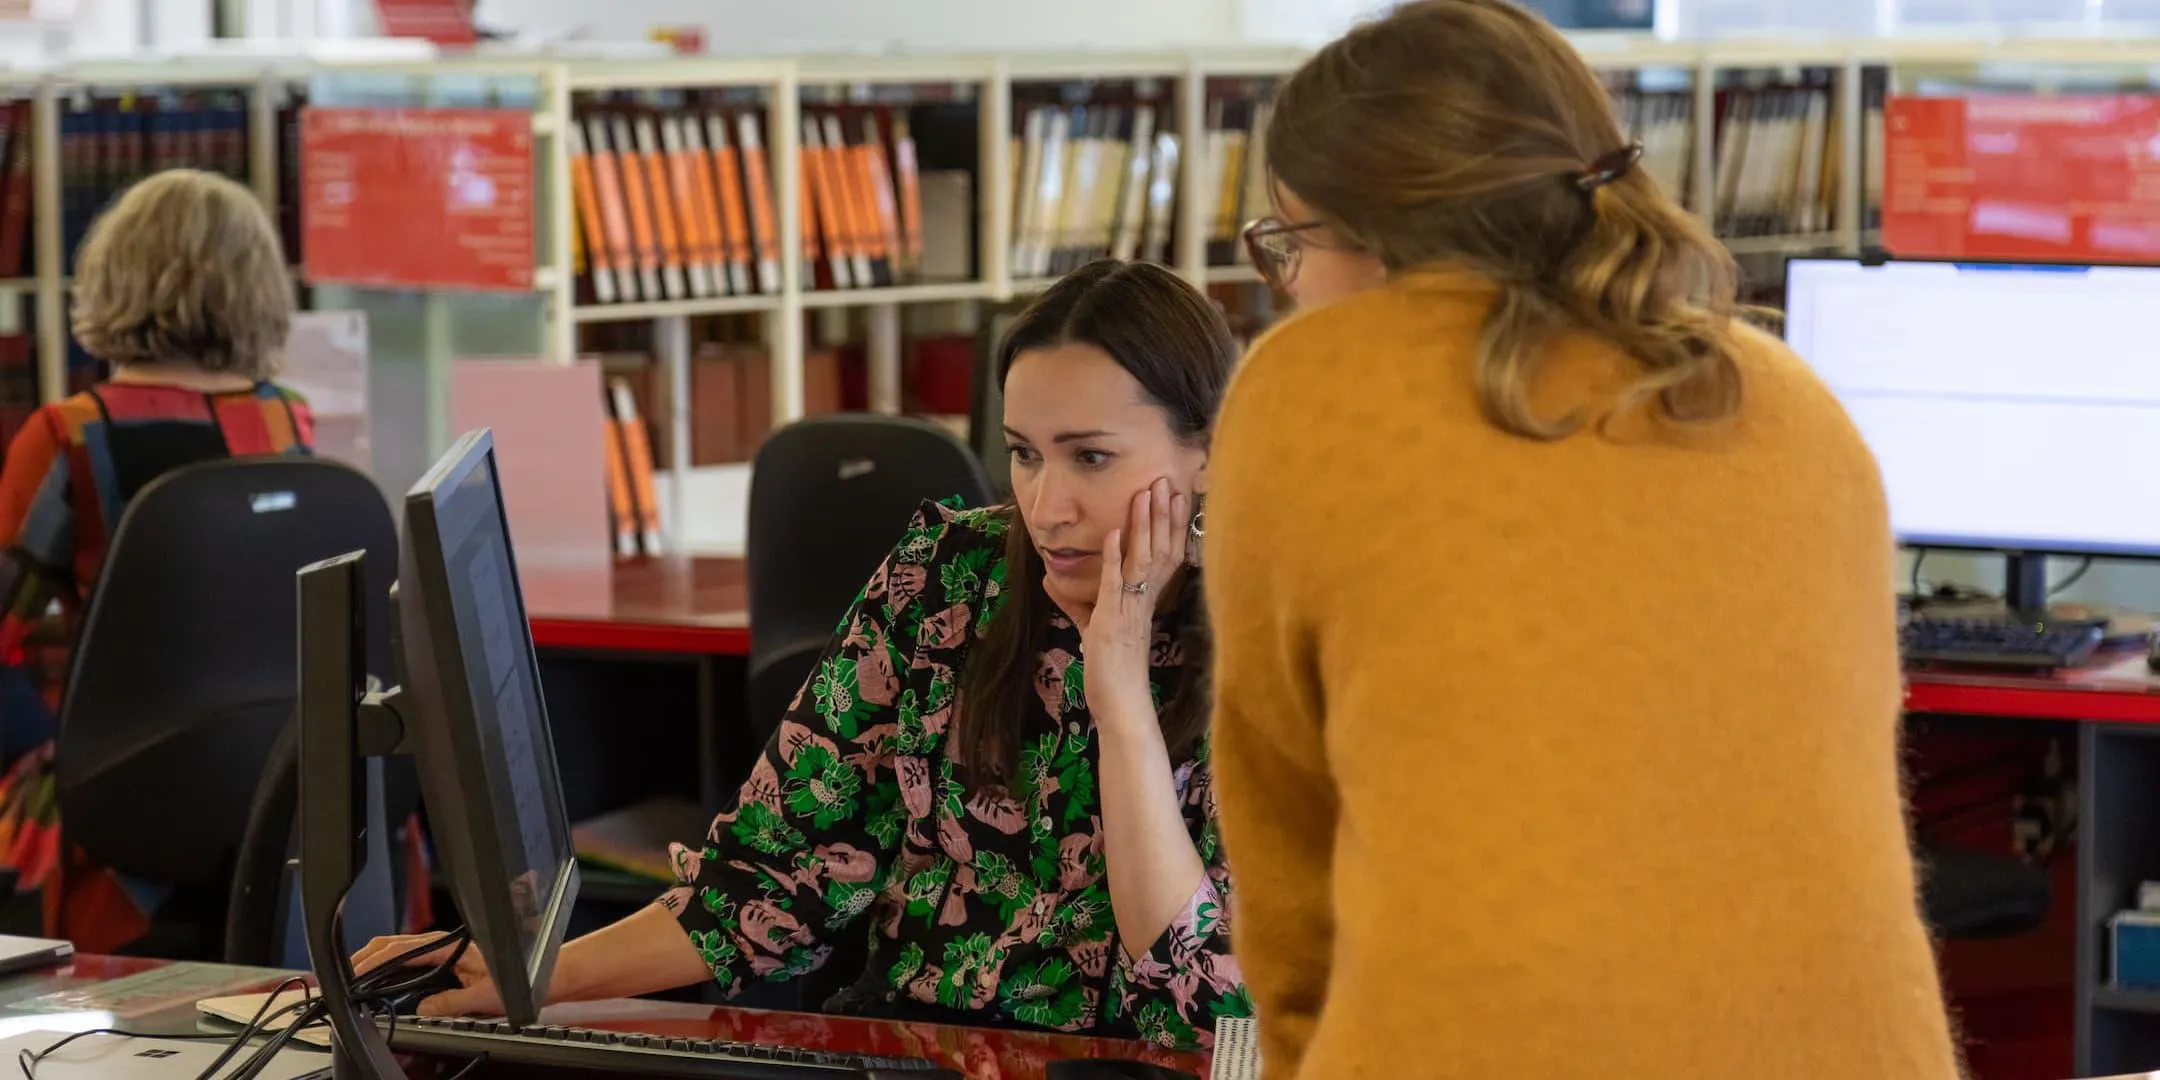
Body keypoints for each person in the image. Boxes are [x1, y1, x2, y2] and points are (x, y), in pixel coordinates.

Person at [1205, 2, 1962, 1078]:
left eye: (1291, 243)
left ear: (1370, 237)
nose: (1291, 287)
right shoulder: (1791, 400)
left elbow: (1291, 877)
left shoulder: (1309, 391)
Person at [359, 259, 1248, 1050]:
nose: (1047, 505)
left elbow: (1199, 996)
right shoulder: (945, 576)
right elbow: (775, 872)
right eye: (1022, 455)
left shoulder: (1269, 631)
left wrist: (1120, 694)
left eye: (1091, 457)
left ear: (1204, 451)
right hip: (910, 1053)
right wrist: (522, 979)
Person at [0, 168, 313, 951]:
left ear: (113, 276)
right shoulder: (286, 419)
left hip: (115, 804)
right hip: (278, 787)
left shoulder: (71, 435)